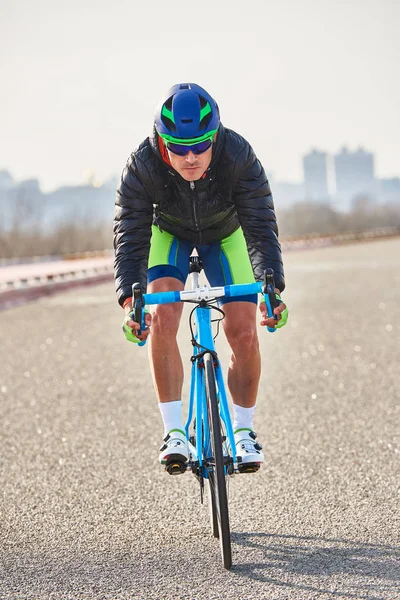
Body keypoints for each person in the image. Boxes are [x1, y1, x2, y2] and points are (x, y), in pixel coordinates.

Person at [114, 83, 288, 473]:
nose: (190, 157)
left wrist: (271, 289)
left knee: (243, 332)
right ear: (162, 142)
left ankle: (243, 432)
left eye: (200, 146)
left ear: (217, 136)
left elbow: (260, 226)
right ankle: (174, 431)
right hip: (168, 234)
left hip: (226, 234)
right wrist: (131, 302)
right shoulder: (141, 164)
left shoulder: (238, 154)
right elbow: (130, 235)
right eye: (178, 148)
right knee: (161, 316)